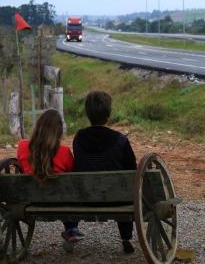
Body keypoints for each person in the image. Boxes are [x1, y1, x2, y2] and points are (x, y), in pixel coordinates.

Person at [73, 91, 137, 254]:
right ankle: (126, 237)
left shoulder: (79, 138)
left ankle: (72, 230)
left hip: (86, 198)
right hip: (117, 200)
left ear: (88, 114)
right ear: (108, 114)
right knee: (125, 187)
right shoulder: (120, 139)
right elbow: (132, 170)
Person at [16, 109, 84, 242]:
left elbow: (21, 166)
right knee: (71, 191)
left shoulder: (23, 145)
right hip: (60, 202)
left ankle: (72, 230)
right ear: (58, 131)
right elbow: (72, 176)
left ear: (38, 126)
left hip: (32, 200)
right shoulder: (64, 152)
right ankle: (71, 229)